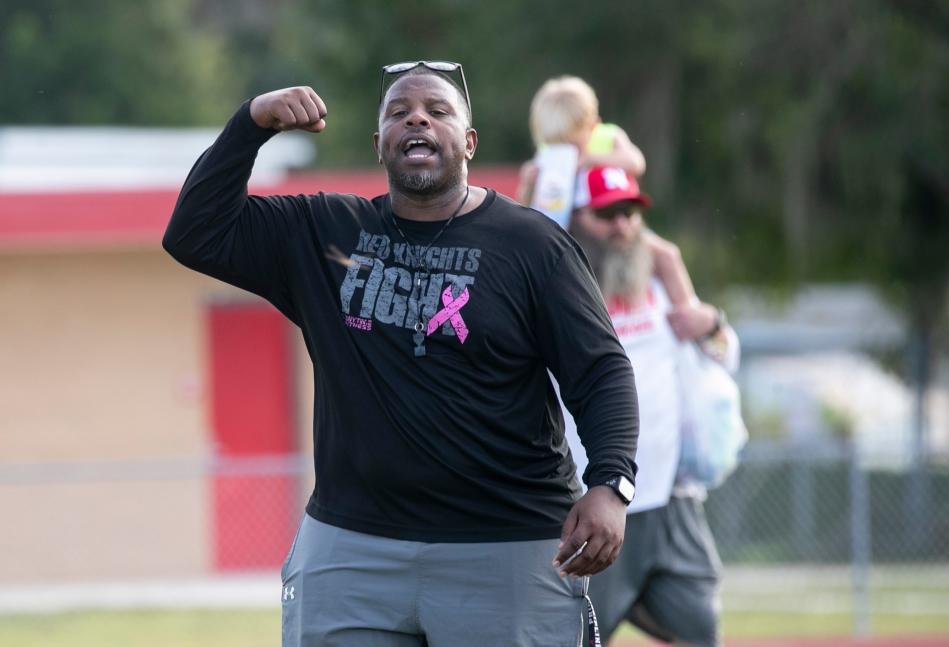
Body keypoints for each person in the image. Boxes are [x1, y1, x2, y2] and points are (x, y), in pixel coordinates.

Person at [163, 62, 640, 647]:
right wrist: (251, 124)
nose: (417, 117)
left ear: (468, 143)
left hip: (506, 544)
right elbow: (194, 231)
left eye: (438, 111)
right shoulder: (326, 232)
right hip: (352, 547)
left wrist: (611, 484)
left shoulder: (533, 245)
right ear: (379, 144)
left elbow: (601, 372)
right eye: (398, 112)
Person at [564, 166, 739, 647]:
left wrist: (712, 326)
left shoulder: (659, 284)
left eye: (630, 213)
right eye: (607, 214)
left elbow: (724, 357)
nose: (622, 226)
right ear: (576, 218)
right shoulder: (562, 292)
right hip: (594, 501)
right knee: (576, 637)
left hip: (671, 500)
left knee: (701, 630)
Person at [517, 75, 646, 208]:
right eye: (556, 145)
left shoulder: (608, 136)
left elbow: (636, 163)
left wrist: (592, 159)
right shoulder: (547, 153)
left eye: (572, 144)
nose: (564, 150)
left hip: (616, 213)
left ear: (592, 126)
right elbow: (529, 206)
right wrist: (529, 185)